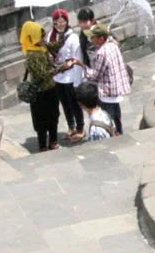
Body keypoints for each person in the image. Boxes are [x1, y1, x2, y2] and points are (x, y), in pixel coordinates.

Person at [19, 21, 61, 152]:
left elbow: (54, 45)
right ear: (32, 37)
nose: (43, 39)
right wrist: (61, 68)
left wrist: (61, 33)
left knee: (54, 116)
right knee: (42, 121)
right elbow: (43, 74)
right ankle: (43, 145)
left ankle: (53, 141)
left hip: (51, 88)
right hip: (40, 93)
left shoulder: (42, 46)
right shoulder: (32, 55)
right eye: (40, 36)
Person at [49, 9, 89, 141]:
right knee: (65, 104)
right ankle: (71, 126)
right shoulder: (51, 36)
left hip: (70, 76)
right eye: (56, 22)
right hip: (57, 75)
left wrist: (77, 81)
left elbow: (77, 58)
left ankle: (80, 128)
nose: (59, 25)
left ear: (67, 22)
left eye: (62, 22)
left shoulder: (72, 38)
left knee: (74, 104)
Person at [87, 22, 131, 134]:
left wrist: (84, 69)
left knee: (109, 120)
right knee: (117, 118)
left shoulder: (102, 53)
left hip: (107, 93)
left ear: (101, 38)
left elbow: (95, 75)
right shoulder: (113, 46)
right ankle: (120, 135)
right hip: (116, 90)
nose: (91, 40)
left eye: (93, 37)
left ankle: (112, 137)